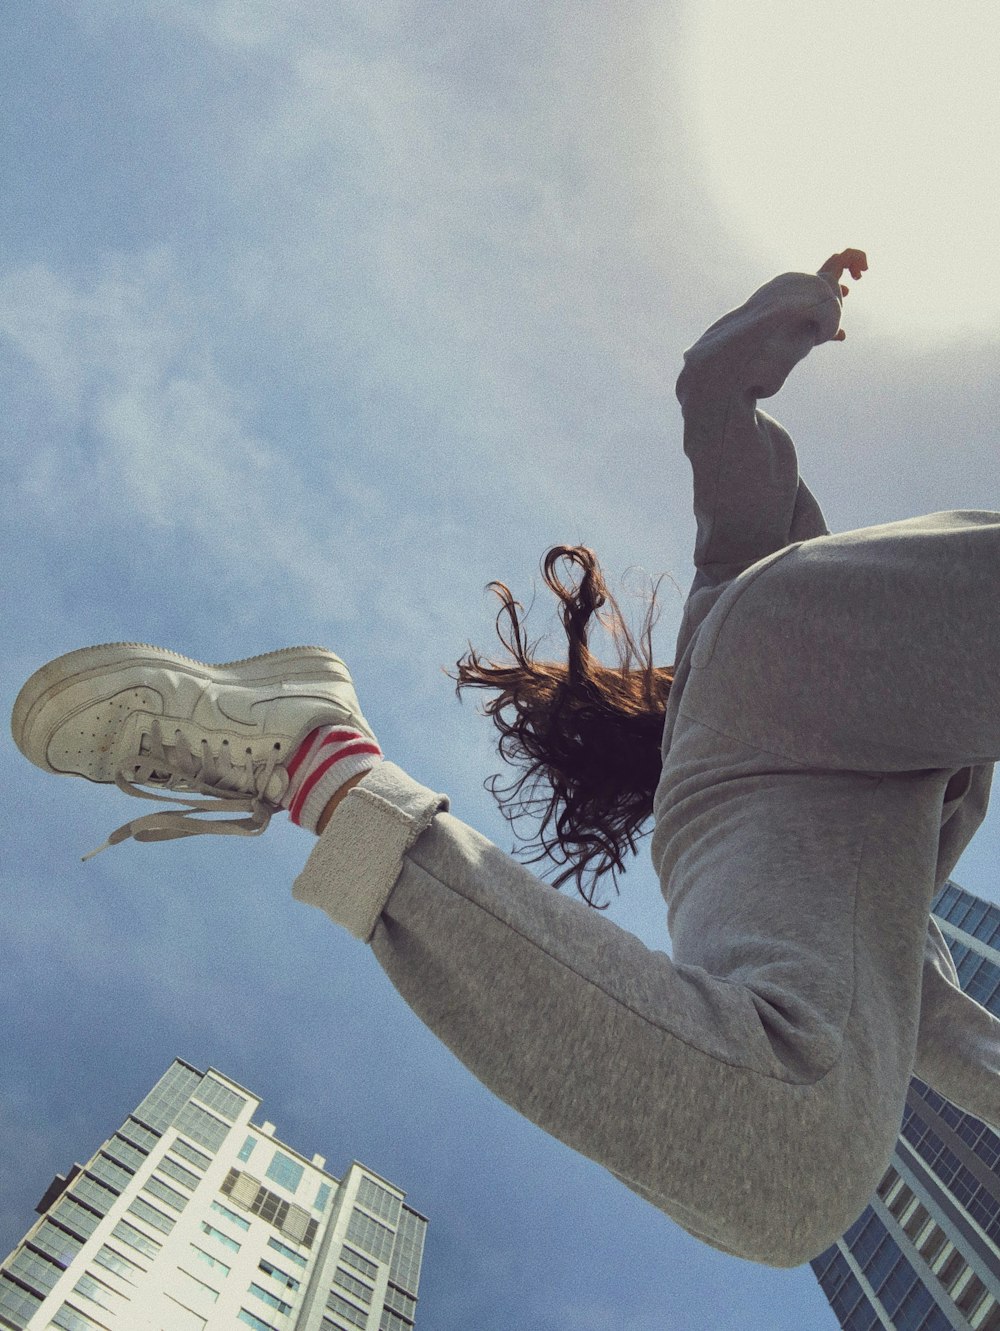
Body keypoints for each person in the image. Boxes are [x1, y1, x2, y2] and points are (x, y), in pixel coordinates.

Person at [12, 249, 1000, 1268]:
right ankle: (324, 768)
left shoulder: (743, 803)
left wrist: (764, 337)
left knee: (787, 1164)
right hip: (788, 676)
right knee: (787, 1153)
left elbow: (926, 1015)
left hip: (766, 743)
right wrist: (776, 328)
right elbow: (724, 475)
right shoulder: (761, 730)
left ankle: (327, 772)